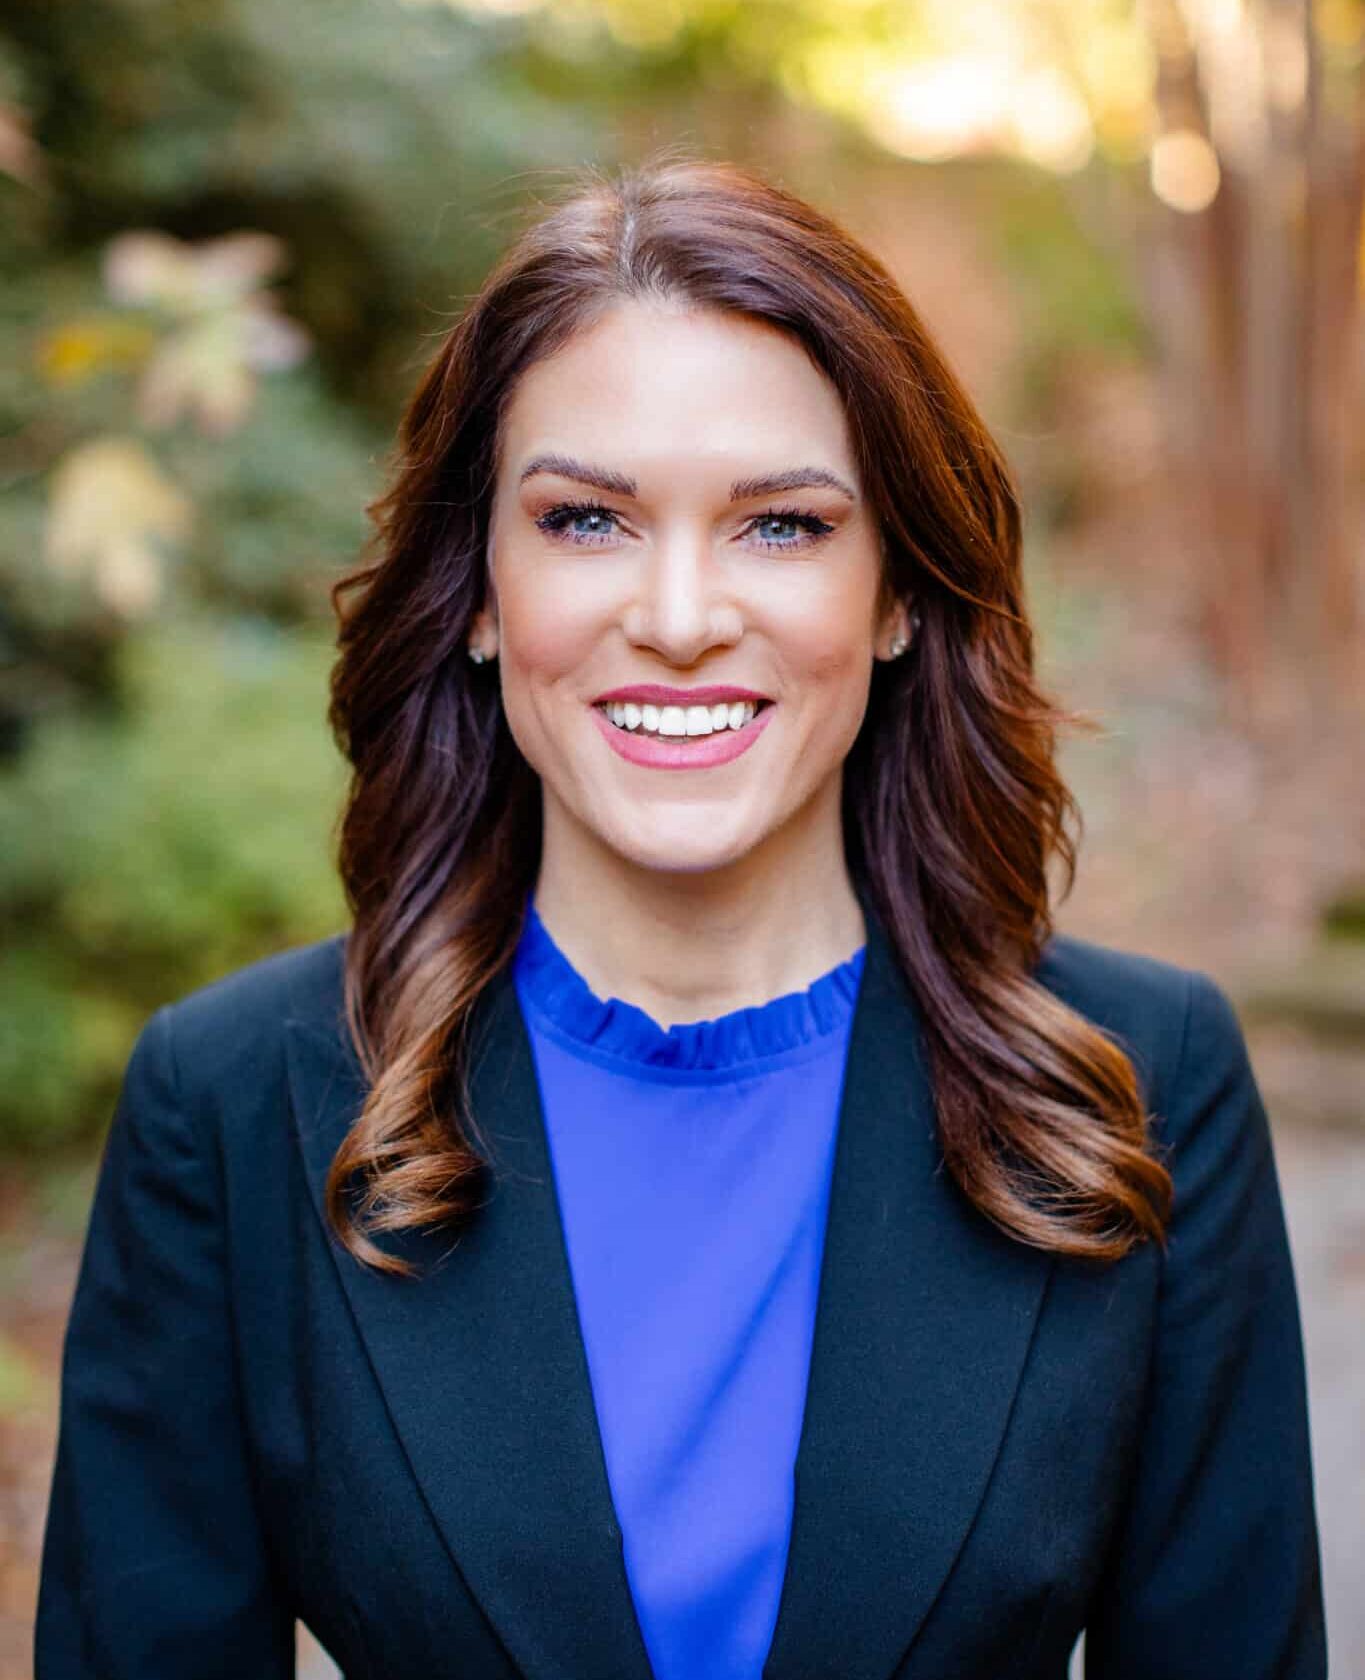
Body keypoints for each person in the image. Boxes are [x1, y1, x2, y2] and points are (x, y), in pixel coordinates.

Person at [35, 159, 1326, 1680]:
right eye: (585, 520)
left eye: (780, 526)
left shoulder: (1141, 1085)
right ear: (478, 592)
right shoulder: (237, 1105)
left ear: (899, 593)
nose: (679, 613)